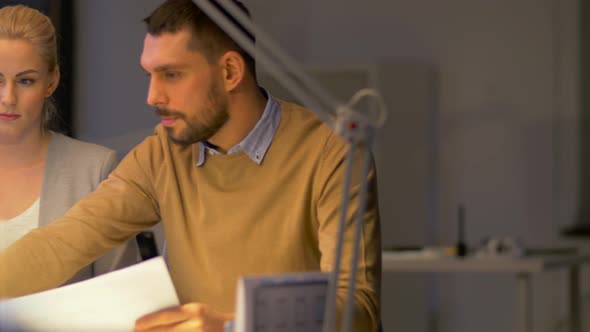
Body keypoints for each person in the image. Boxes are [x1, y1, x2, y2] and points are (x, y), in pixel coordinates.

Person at [0, 0, 382, 331]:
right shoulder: (162, 155)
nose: (152, 96)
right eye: (149, 74)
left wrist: (233, 327)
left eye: (171, 75)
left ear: (230, 72)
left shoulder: (331, 154)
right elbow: (61, 244)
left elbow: (357, 310)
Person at [0, 5, 134, 283]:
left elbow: (121, 298)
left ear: (51, 81)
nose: (8, 98)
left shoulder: (95, 170)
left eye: (25, 80)